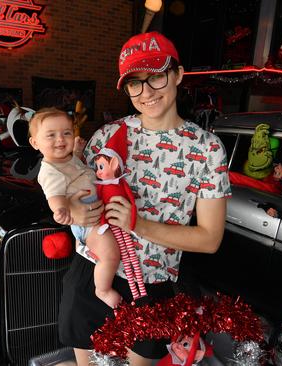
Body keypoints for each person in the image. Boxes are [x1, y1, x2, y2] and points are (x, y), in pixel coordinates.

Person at [58, 31, 232, 366]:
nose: (146, 92)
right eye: (135, 83)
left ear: (178, 75)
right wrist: (77, 212)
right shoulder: (107, 136)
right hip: (92, 273)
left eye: (156, 77)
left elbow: (210, 239)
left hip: (152, 284)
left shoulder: (207, 149)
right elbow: (77, 200)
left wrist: (137, 223)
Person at [29, 107, 123, 309]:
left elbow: (79, 171)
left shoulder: (67, 160)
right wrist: (61, 210)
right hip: (86, 220)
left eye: (66, 133)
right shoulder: (50, 171)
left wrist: (78, 153)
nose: (60, 139)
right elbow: (55, 196)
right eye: (51, 135)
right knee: (110, 254)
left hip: (94, 211)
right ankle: (103, 290)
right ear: (35, 143)